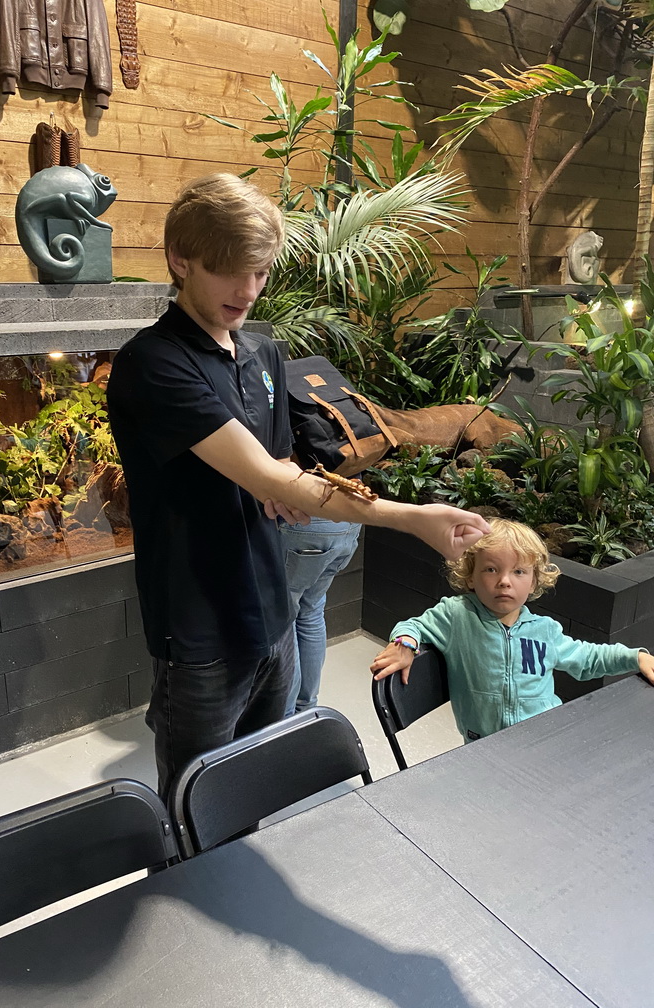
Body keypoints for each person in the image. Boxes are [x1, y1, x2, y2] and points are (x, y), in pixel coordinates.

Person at [107, 171, 489, 797]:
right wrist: (411, 515)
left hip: (274, 609)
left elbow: (290, 475)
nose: (248, 290)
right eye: (230, 270)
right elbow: (270, 476)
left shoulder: (262, 356)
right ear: (181, 260)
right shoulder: (155, 363)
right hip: (200, 626)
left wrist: (284, 485)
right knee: (194, 803)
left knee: (257, 783)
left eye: (259, 272)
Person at [369, 517, 654, 742]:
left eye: (519, 572)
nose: (505, 581)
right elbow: (414, 625)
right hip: (484, 747)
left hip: (545, 737)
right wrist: (405, 644)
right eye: (491, 569)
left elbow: (587, 658)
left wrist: (636, 657)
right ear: (470, 577)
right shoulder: (457, 616)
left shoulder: (545, 630)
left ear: (533, 583)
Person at [280, 516, 361, 715]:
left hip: (305, 522)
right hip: (349, 523)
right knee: (311, 610)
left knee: (284, 617)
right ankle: (306, 708)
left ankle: (286, 716)